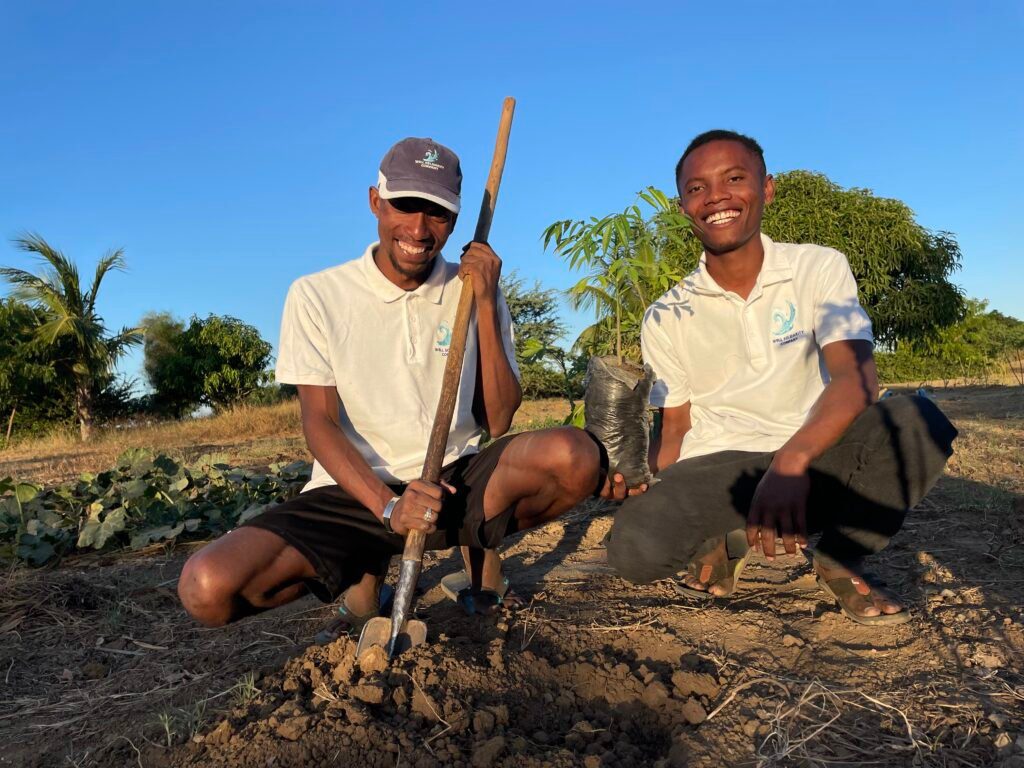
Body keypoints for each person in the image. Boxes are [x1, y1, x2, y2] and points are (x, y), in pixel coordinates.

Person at [177, 137, 604, 635]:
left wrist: (485, 303)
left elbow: (500, 419)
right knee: (206, 587)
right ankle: (365, 566)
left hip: (456, 480)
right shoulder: (317, 295)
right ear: (375, 201)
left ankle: (480, 554)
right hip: (354, 491)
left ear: (456, 218)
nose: (419, 229)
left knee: (576, 457)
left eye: (438, 213)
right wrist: (387, 506)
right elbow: (319, 424)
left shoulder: (473, 286)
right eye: (405, 206)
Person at [606, 130, 957, 625]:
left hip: (814, 454)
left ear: (766, 188)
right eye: (697, 188)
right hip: (723, 468)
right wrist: (627, 473)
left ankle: (840, 555)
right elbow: (677, 429)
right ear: (683, 206)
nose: (716, 198)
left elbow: (857, 380)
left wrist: (790, 463)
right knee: (634, 549)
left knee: (916, 422)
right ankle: (725, 537)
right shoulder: (666, 314)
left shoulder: (816, 267)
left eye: (734, 178)